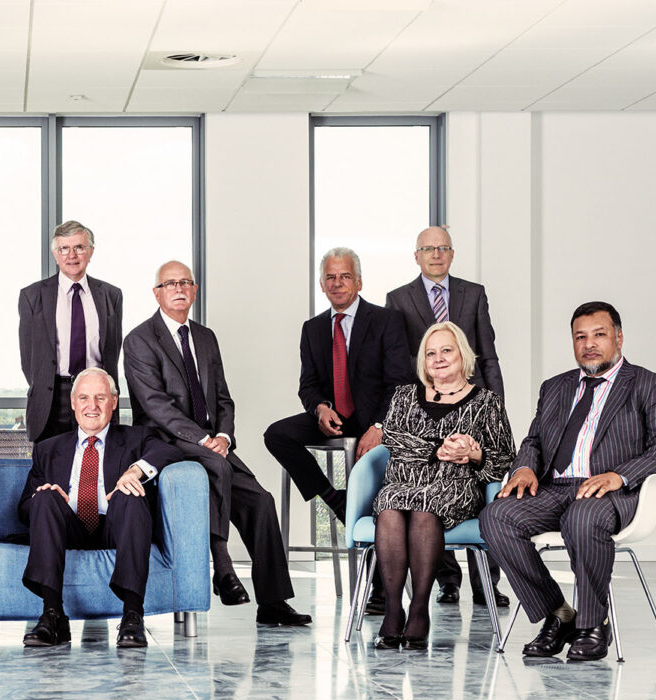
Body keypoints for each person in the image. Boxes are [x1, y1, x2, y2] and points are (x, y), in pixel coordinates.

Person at [480, 302, 656, 662]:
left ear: (619, 338)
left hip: (608, 493)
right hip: (553, 488)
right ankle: (558, 614)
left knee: (582, 517)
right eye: (580, 337)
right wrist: (524, 468)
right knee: (496, 516)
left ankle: (594, 622)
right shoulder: (556, 387)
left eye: (599, 334)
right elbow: (534, 441)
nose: (589, 344)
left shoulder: (652, 385)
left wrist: (619, 476)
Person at [123, 260, 311, 627]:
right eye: (170, 283)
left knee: (262, 500)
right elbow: (155, 406)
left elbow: (223, 397)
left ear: (194, 290)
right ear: (157, 293)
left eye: (185, 282)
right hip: (167, 442)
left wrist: (223, 436)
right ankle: (222, 566)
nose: (178, 288)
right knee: (217, 467)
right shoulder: (139, 340)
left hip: (213, 444)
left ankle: (272, 602)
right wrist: (204, 439)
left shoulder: (205, 337)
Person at [368, 322, 513, 650]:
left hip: (454, 484)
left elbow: (505, 455)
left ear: (462, 354)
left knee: (425, 508)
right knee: (390, 506)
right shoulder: (404, 395)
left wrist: (474, 454)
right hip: (403, 479)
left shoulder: (486, 402)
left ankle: (419, 608)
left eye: (446, 350)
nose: (439, 358)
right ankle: (393, 609)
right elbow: (392, 438)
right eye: (430, 353)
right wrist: (438, 448)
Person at [385, 226, 507, 607]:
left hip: (471, 407)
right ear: (416, 256)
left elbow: (487, 352)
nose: (435, 254)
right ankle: (447, 580)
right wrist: (422, 406)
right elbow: (401, 360)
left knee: (473, 489)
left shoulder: (474, 293)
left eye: (442, 248)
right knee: (420, 498)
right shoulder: (399, 298)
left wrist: (494, 405)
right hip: (425, 406)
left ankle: (487, 583)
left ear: (451, 254)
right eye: (427, 249)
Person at [19, 368, 181, 648]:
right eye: (83, 398)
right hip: (67, 527)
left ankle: (132, 614)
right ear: (73, 403)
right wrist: (44, 498)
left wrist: (135, 471)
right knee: (43, 498)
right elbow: (22, 511)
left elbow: (170, 450)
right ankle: (53, 614)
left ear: (114, 402)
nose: (91, 406)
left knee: (131, 495)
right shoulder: (47, 449)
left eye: (100, 398)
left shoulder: (136, 438)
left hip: (115, 525)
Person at [264, 246, 412, 522]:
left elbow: (400, 383)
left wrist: (379, 427)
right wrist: (320, 409)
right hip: (334, 419)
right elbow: (307, 385)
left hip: (374, 420)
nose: (337, 283)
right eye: (331, 277)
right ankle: (335, 499)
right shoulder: (312, 328)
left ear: (359, 281)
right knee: (277, 435)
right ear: (322, 284)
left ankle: (376, 542)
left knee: (376, 500)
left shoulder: (386, 320)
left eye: (345, 276)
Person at [18, 221, 124, 442]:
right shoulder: (32, 296)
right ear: (55, 254)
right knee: (49, 470)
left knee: (100, 466)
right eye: (64, 248)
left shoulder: (111, 295)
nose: (71, 255)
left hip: (96, 396)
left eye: (79, 247)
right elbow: (28, 359)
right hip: (52, 398)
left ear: (90, 252)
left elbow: (113, 351)